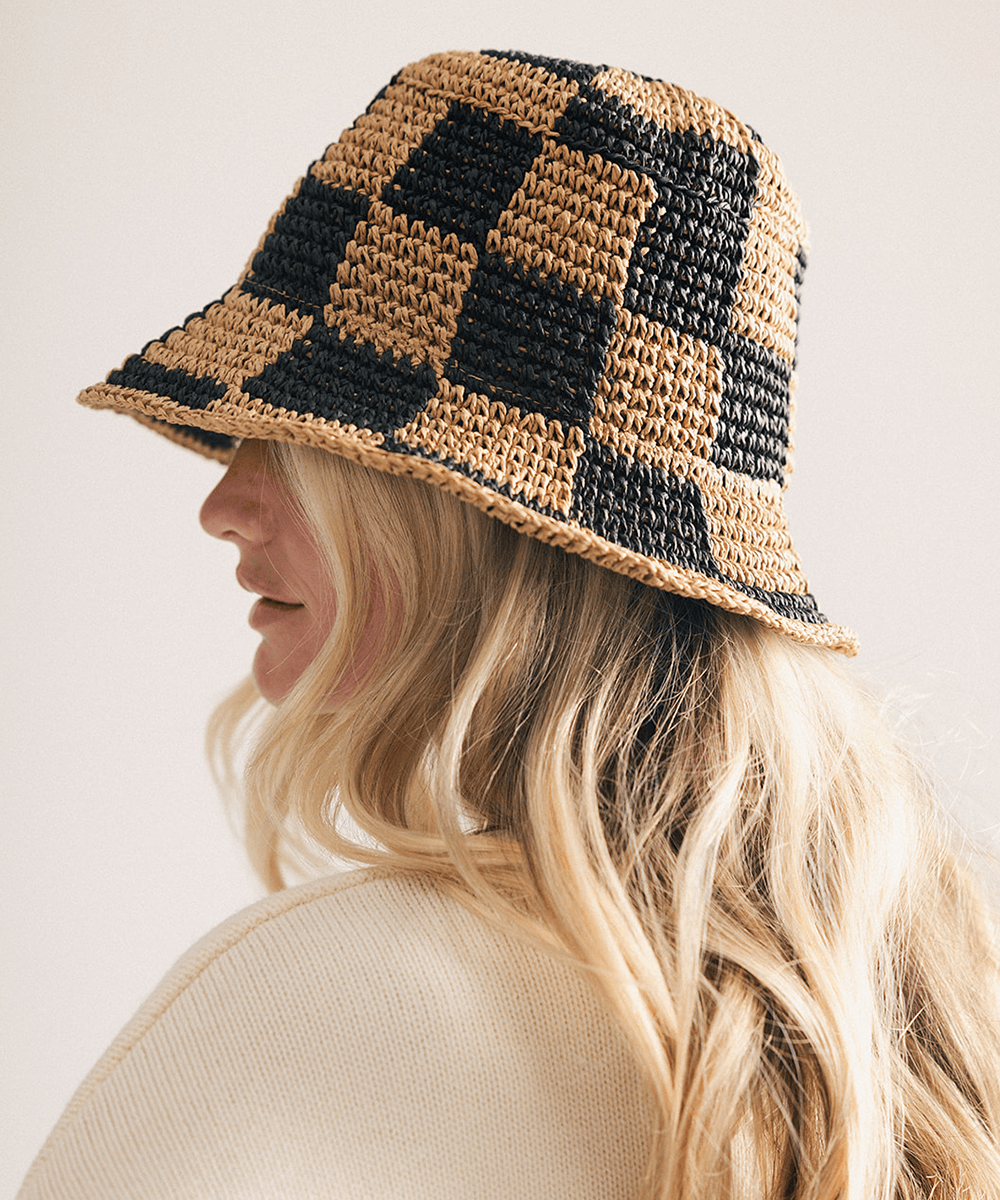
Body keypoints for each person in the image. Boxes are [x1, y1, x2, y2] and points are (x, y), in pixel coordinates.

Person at [18, 49, 1000, 1199]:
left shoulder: (322, 1005)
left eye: (294, 434)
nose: (222, 504)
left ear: (471, 512)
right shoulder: (912, 1029)